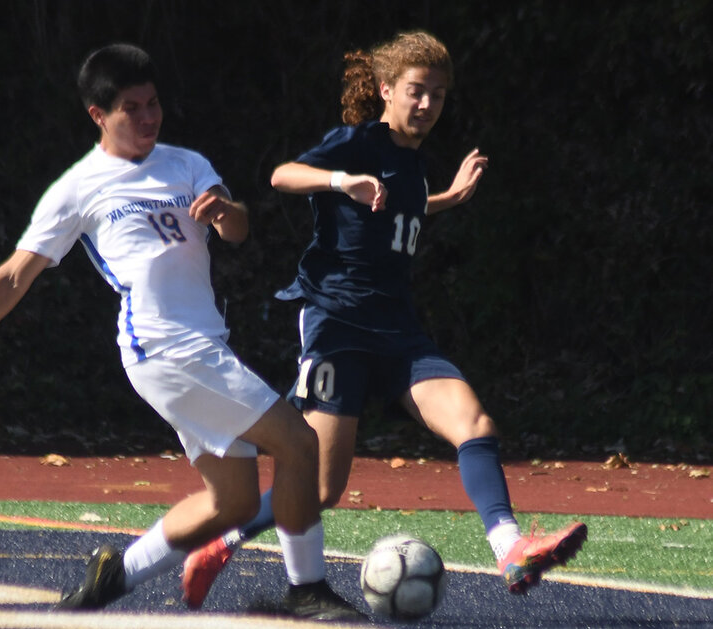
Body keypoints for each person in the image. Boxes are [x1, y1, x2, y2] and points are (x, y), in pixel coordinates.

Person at [0, 43, 364, 622]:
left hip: (203, 343)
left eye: (153, 104)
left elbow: (240, 230)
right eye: (131, 108)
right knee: (298, 443)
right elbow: (14, 277)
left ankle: (114, 577)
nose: (148, 118)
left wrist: (225, 211)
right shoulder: (78, 187)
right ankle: (307, 592)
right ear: (98, 115)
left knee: (235, 501)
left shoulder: (186, 162)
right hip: (162, 345)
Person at [182, 30, 587, 607]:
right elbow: (281, 176)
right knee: (320, 488)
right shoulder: (357, 143)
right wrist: (339, 178)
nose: (427, 104)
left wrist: (446, 198)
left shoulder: (413, 163)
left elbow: (400, 206)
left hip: (399, 332)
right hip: (338, 325)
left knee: (475, 425)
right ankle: (218, 543)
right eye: (417, 91)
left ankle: (511, 549)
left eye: (439, 95)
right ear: (386, 90)